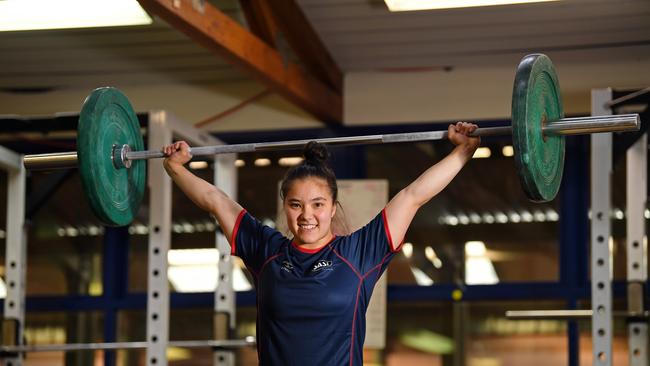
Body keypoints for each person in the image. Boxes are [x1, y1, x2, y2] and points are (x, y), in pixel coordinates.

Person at [162, 122, 480, 366]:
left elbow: (413, 197)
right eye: (296, 204)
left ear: (332, 206)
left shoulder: (359, 253)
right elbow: (215, 200)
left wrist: (462, 152)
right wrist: (175, 168)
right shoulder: (266, 251)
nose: (307, 215)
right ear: (284, 205)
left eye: (317, 204)